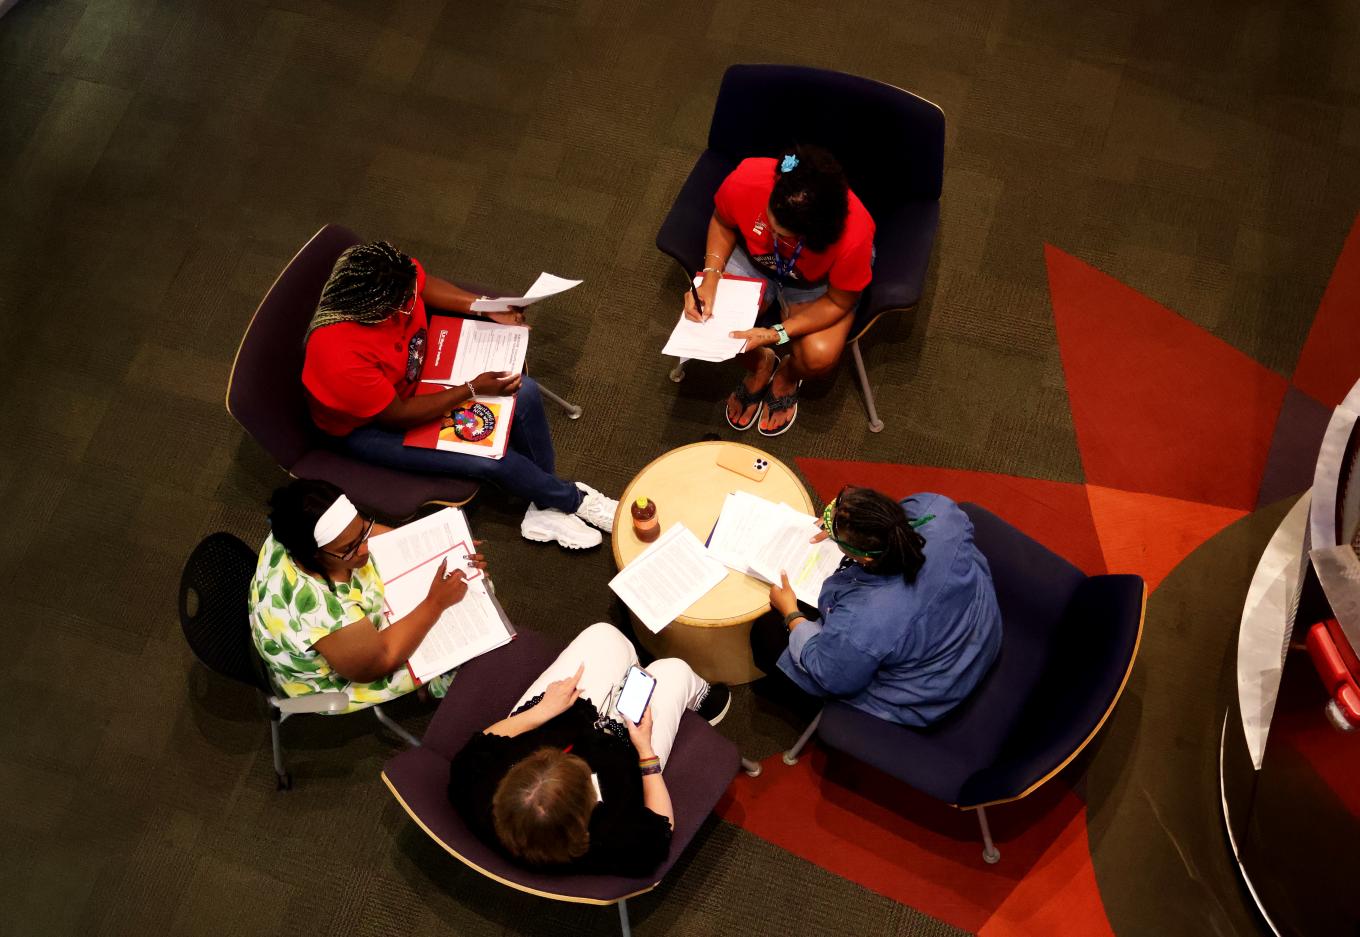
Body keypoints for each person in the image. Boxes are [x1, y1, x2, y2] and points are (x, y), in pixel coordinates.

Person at [302, 240, 616, 550]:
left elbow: (424, 285)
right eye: (406, 302)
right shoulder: (339, 357)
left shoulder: (389, 271)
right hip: (375, 426)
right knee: (491, 457)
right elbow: (398, 415)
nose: (414, 300)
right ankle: (574, 500)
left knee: (526, 390)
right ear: (375, 309)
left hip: (417, 375)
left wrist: (485, 307)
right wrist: (472, 389)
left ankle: (545, 503)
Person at [447, 623, 731, 877]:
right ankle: (705, 701)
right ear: (588, 807)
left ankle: (631, 672)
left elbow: (484, 743)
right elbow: (661, 828)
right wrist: (646, 751)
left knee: (606, 635)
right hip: (628, 751)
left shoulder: (473, 788)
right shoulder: (613, 839)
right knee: (673, 671)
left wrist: (541, 711)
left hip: (557, 717)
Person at [750, 488, 1002, 727]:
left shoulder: (866, 618)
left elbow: (832, 675)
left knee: (766, 632)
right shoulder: (937, 511)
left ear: (866, 558)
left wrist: (791, 613)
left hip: (934, 685)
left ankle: (804, 705)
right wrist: (850, 525)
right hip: (977, 626)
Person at [682, 144, 875, 436]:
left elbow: (838, 301)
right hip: (755, 260)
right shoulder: (748, 178)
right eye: (770, 220)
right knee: (712, 324)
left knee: (818, 356)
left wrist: (776, 333)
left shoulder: (854, 235)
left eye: (783, 233)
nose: (771, 231)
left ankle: (787, 375)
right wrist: (710, 277)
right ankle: (761, 365)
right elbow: (722, 221)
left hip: (814, 283)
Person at [248, 479, 476, 711]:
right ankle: (434, 689)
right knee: (467, 640)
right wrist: (435, 603)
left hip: (334, 636)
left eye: (362, 532)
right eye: (349, 548)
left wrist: (437, 550)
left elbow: (358, 533)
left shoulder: (295, 525)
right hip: (339, 678)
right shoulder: (322, 610)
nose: (366, 548)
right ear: (314, 554)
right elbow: (379, 661)